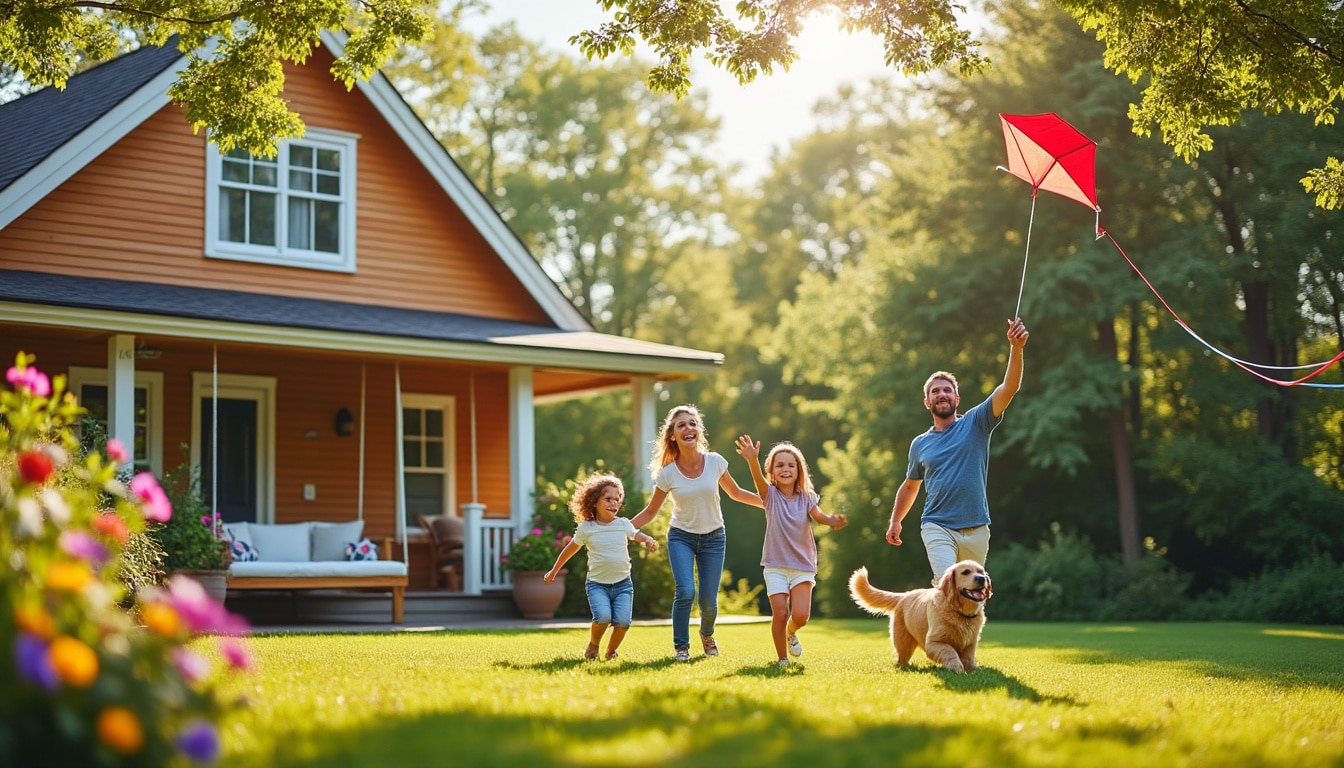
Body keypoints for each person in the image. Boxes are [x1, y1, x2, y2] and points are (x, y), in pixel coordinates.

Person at [886, 317, 1029, 581]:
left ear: (956, 398)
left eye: (947, 390)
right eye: (936, 391)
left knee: (972, 597)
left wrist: (1016, 348)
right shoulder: (920, 443)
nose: (942, 394)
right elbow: (909, 486)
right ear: (927, 401)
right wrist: (896, 521)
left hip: (977, 529)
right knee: (948, 586)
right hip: (937, 525)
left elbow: (1009, 388)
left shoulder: (976, 422)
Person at [630, 404, 762, 662]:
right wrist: (621, 527)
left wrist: (770, 502)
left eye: (692, 423)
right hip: (681, 536)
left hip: (714, 537)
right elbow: (650, 512)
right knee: (685, 592)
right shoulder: (668, 474)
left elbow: (736, 493)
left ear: (699, 430)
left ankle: (707, 634)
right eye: (681, 425)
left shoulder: (715, 462)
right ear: (672, 435)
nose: (688, 428)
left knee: (709, 602)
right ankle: (682, 647)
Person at [734, 436, 846, 667]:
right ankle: (782, 659)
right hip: (775, 566)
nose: (786, 469)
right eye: (780, 465)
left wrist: (832, 521)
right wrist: (752, 460)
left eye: (791, 465)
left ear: (799, 471)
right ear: (772, 472)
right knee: (781, 613)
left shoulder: (807, 498)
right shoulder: (770, 496)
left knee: (801, 616)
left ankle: (791, 633)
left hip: (802, 566)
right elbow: (757, 480)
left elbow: (820, 517)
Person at [544, 472, 659, 661]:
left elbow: (637, 534)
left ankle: (611, 651)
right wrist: (554, 571)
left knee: (623, 622)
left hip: (623, 584)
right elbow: (569, 550)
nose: (614, 503)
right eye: (608, 499)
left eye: (617, 499)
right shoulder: (586, 528)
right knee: (603, 618)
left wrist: (646, 540)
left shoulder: (623, 524)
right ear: (594, 501)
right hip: (597, 585)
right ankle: (594, 643)